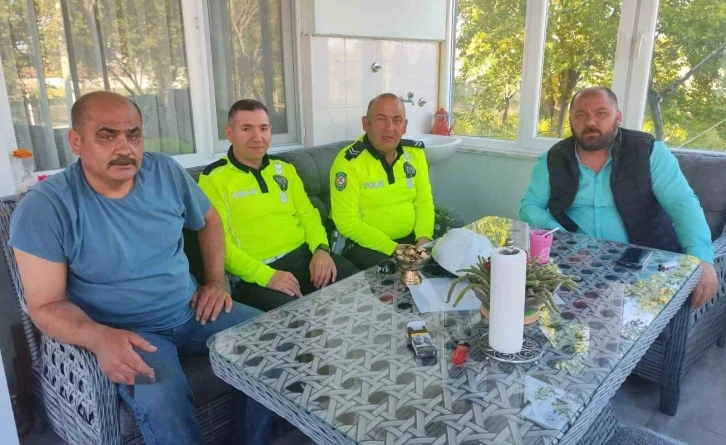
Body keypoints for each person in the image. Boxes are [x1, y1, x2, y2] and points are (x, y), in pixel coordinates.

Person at [9, 91, 274, 445]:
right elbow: (45, 305)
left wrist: (215, 281)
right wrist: (98, 337)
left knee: (273, 341)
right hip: (127, 335)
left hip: (194, 311)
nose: (125, 147)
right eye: (107, 135)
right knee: (162, 399)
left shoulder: (164, 171)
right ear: (76, 141)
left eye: (133, 134)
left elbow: (210, 220)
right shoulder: (46, 207)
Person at [520, 86, 717, 308]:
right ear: (571, 120)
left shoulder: (648, 152)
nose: (590, 122)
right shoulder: (552, 159)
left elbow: (682, 204)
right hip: (577, 265)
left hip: (644, 267)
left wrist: (702, 260)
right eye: (581, 114)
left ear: (618, 117)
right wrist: (565, 236)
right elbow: (530, 206)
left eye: (601, 113)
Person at [198, 99, 358, 312]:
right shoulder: (212, 179)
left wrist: (321, 250)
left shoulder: (284, 168)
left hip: (305, 256)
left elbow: (308, 214)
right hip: (256, 272)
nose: (257, 137)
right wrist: (267, 276)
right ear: (230, 133)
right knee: (296, 318)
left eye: (263, 128)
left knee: (359, 288)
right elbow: (220, 245)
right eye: (246, 129)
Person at [330, 93, 435, 270]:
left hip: (412, 239)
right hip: (365, 245)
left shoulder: (415, 153)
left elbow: (423, 201)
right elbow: (346, 221)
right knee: (396, 274)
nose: (390, 128)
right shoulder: (348, 162)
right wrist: (393, 248)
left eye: (396, 120)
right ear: (366, 124)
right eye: (381, 119)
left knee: (445, 263)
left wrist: (424, 239)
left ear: (405, 126)